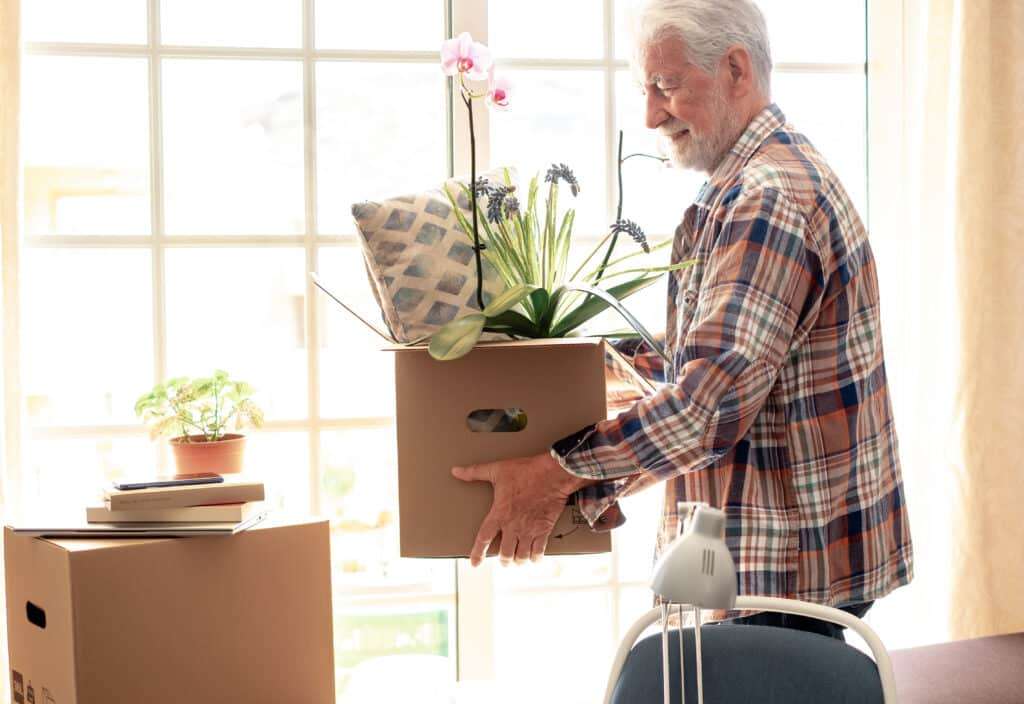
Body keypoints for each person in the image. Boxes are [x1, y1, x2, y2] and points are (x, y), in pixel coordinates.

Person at [452, 0, 913, 637]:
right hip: (781, 564)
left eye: (666, 86)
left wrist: (558, 472)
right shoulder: (747, 184)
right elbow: (707, 360)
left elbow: (706, 408)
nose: (649, 115)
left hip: (786, 575)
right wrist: (572, 375)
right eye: (645, 89)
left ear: (735, 69)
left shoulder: (766, 198)